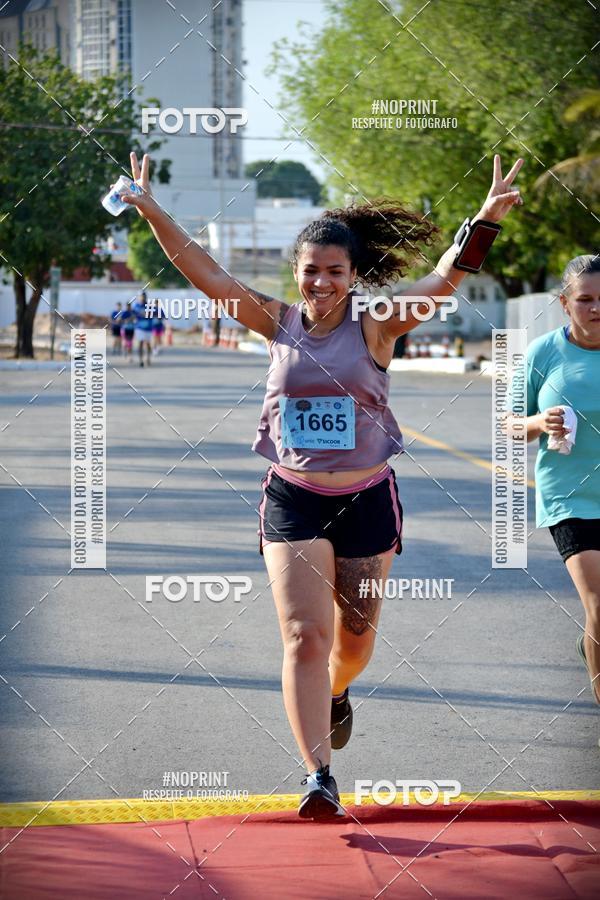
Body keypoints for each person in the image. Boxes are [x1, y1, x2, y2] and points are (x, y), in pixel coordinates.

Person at [120, 151, 523, 819]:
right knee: (304, 635)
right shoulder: (272, 320)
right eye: (311, 271)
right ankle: (317, 775)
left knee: (355, 638)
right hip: (294, 500)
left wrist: (484, 219)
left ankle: (338, 692)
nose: (321, 282)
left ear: (353, 276)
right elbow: (201, 270)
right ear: (296, 273)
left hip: (366, 500)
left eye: (335, 272)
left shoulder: (378, 325)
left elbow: (446, 279)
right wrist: (151, 206)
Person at [520, 255, 600, 707]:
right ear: (565, 304)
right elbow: (509, 423)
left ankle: (591, 639)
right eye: (584, 299)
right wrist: (538, 422)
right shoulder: (544, 353)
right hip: (570, 496)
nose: (595, 308)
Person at [132, 290, 153, 367]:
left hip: (148, 328)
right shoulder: (135, 306)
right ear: (138, 297)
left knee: (147, 344)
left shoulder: (149, 305)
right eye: (141, 296)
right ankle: (141, 360)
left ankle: (148, 358)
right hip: (139, 328)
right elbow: (133, 315)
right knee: (140, 343)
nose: (142, 297)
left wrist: (146, 314)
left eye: (143, 296)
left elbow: (152, 315)